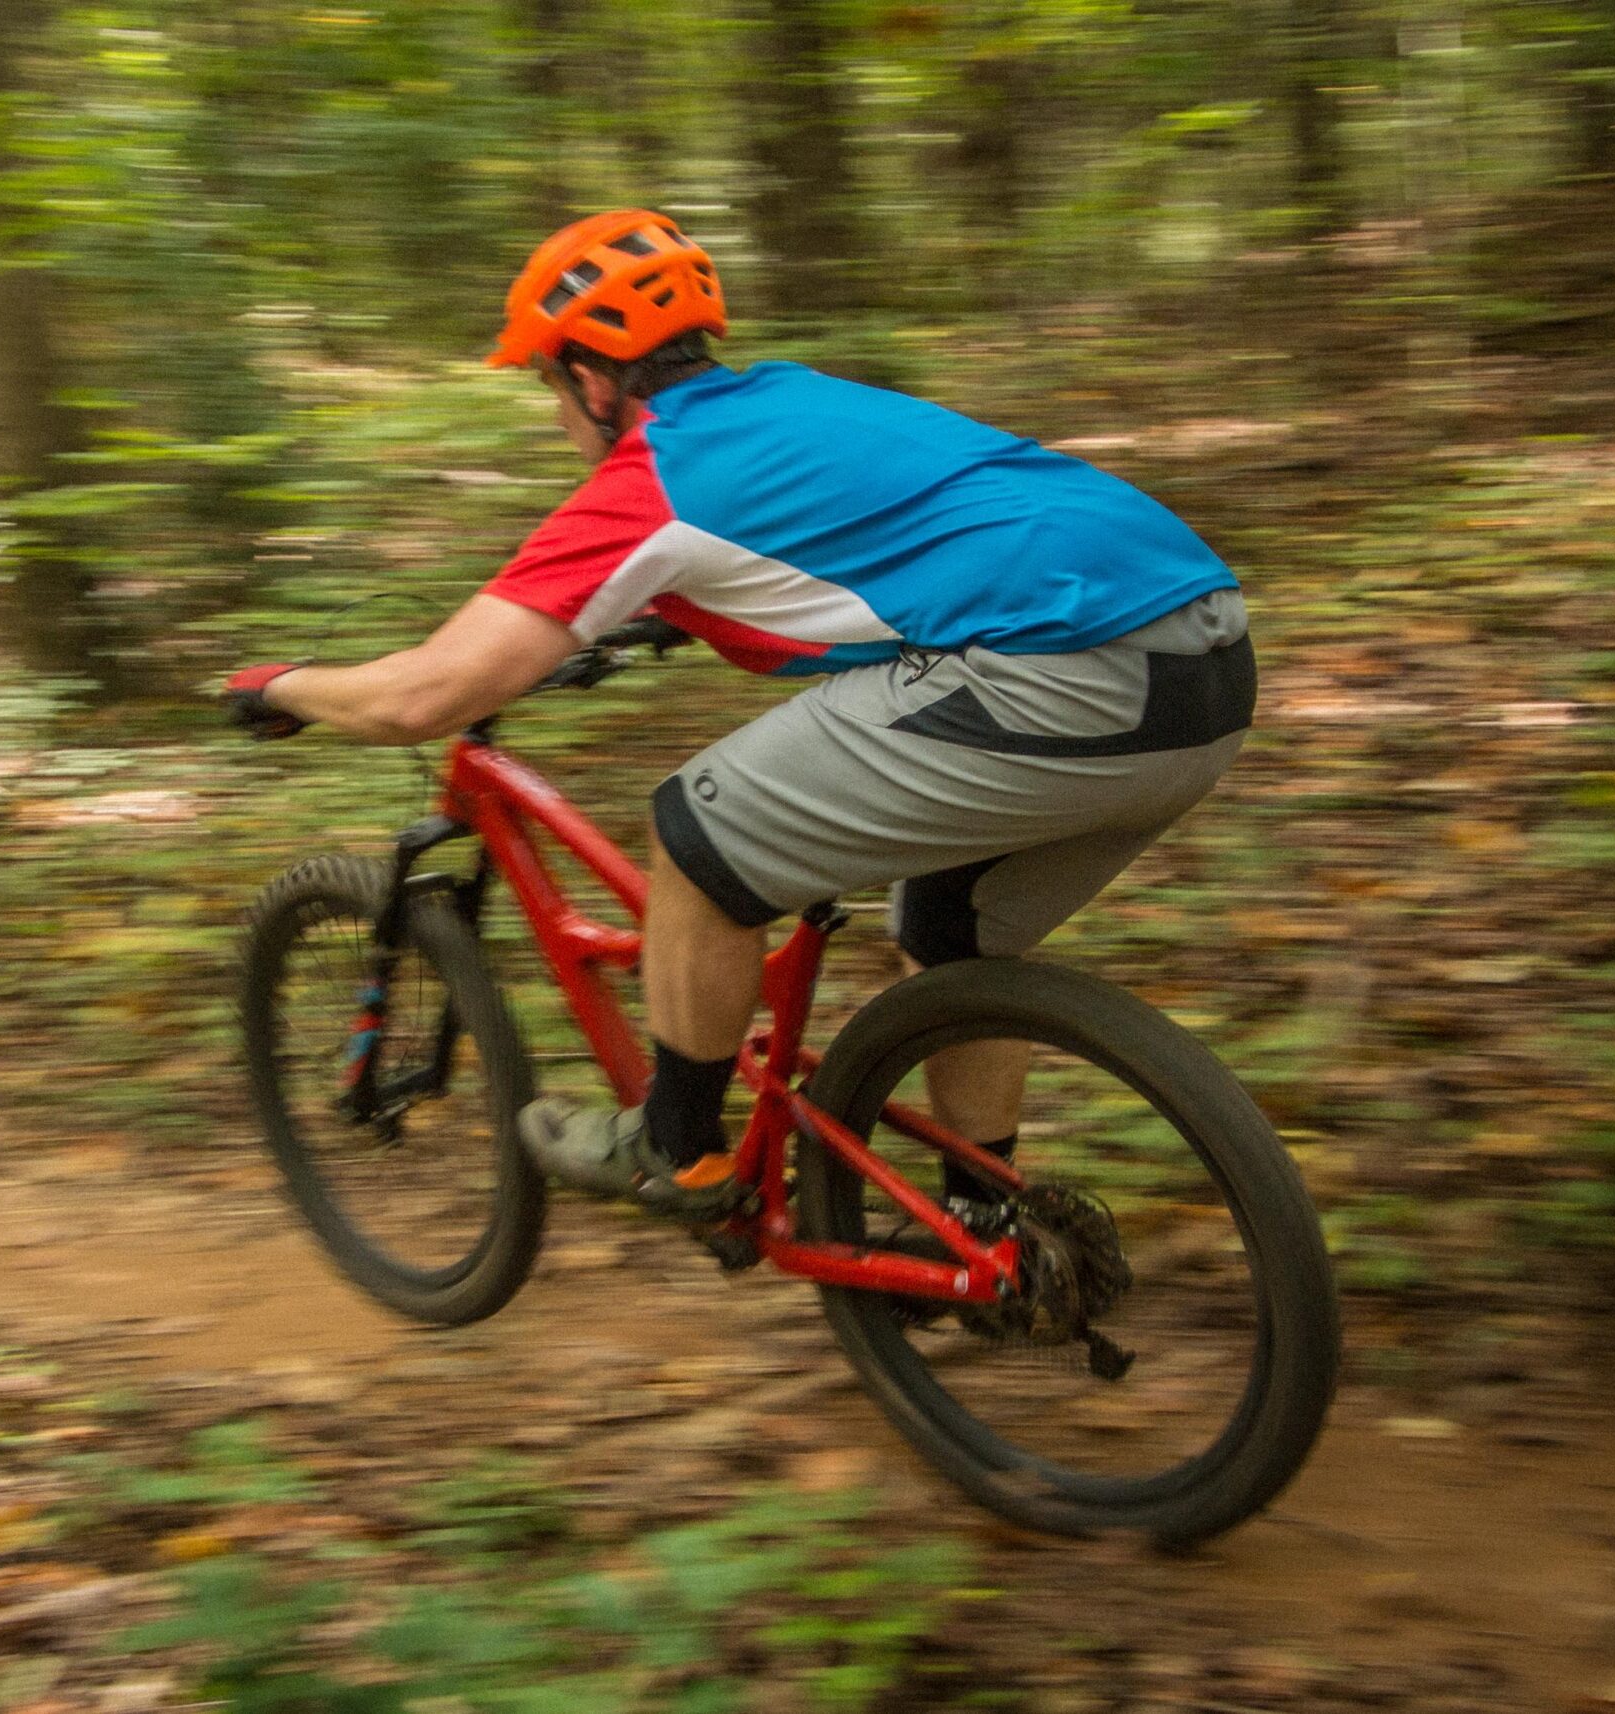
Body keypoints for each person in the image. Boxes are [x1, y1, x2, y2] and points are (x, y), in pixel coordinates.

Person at [223, 209, 1253, 1224]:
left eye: (549, 388)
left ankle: (677, 1151)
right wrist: (662, 617)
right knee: (950, 931)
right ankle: (989, 1226)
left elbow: (423, 695)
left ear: (589, 378)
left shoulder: (651, 479)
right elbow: (882, 539)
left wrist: (282, 686)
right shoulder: (797, 404)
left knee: (697, 832)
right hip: (1205, 666)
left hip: (1062, 674)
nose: (555, 419)